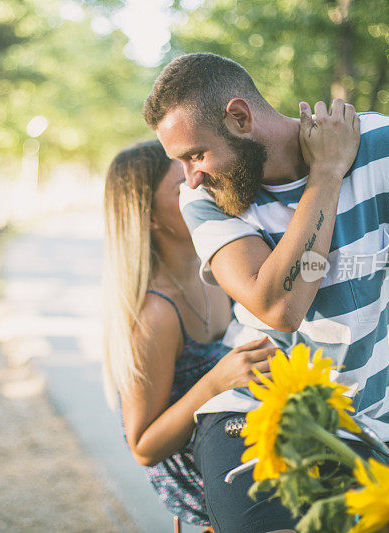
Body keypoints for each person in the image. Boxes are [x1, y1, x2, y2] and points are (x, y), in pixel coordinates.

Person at [143, 52, 389, 529]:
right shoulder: (200, 198)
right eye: (180, 161)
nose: (191, 175)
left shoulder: (387, 143)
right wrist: (326, 174)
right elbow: (280, 306)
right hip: (255, 414)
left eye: (196, 154)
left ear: (240, 118)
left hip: (367, 422)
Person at [102, 140, 289, 529]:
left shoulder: (218, 271)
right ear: (149, 217)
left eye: (199, 177)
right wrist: (217, 381)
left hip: (243, 441)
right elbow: (143, 447)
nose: (200, 189)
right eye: (181, 187)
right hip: (210, 478)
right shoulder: (155, 314)